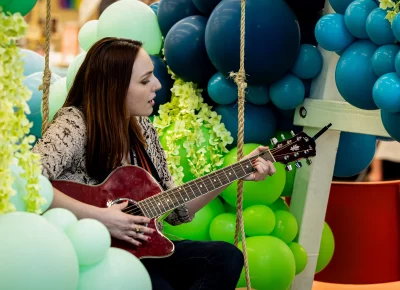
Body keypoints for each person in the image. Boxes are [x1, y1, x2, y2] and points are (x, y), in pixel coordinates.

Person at [32, 37, 276, 290]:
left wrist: (235, 171)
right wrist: (102, 217)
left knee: (226, 257)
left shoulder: (143, 129)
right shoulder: (75, 124)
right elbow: (28, 181)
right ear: (115, 87)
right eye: (145, 80)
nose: (158, 84)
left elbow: (176, 210)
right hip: (89, 254)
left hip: (142, 249)